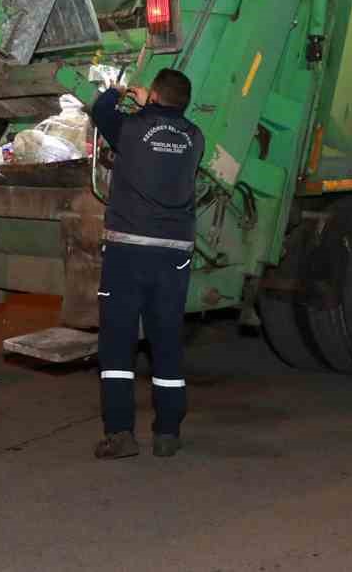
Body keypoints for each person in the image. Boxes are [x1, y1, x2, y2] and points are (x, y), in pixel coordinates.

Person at [88, 68, 204, 460]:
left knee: (118, 341)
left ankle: (120, 433)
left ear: (153, 95)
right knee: (166, 339)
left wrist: (122, 91)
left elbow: (100, 108)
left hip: (128, 251)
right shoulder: (196, 138)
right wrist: (149, 104)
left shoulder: (133, 130)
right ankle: (167, 433)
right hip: (174, 253)